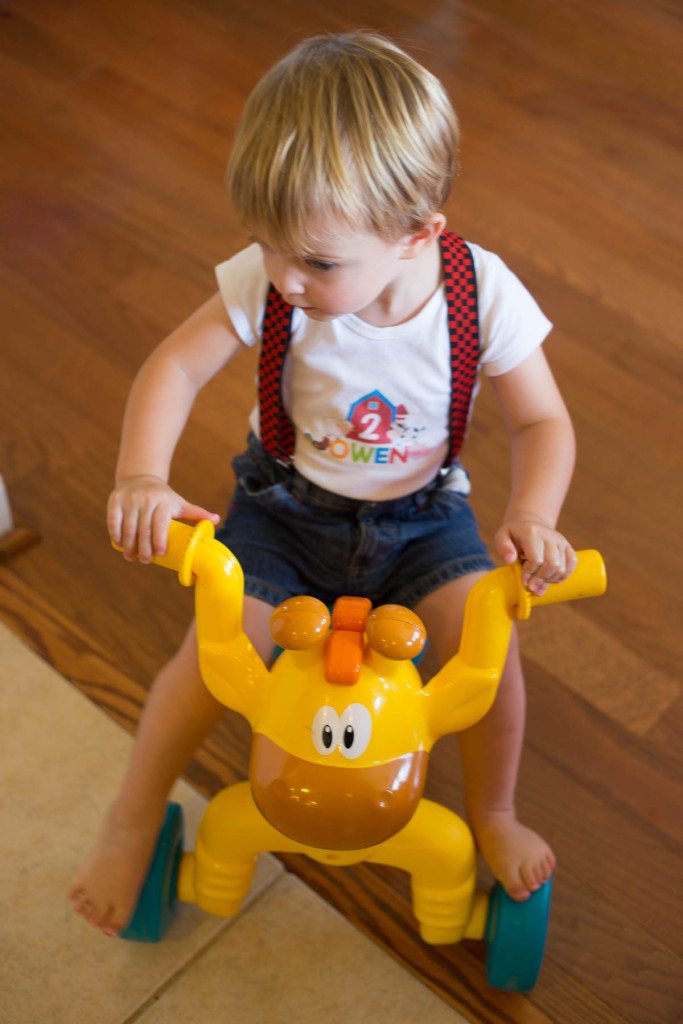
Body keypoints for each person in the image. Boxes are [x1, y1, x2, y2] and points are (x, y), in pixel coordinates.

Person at [69, 31, 576, 937]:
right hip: (284, 509)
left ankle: (492, 812)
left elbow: (541, 421)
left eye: (314, 262)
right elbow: (173, 369)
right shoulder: (275, 277)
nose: (282, 279)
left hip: (424, 520)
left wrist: (531, 515)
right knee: (206, 661)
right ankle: (133, 818)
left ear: (419, 233)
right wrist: (141, 476)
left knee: (486, 663)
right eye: (264, 246)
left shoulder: (478, 293)